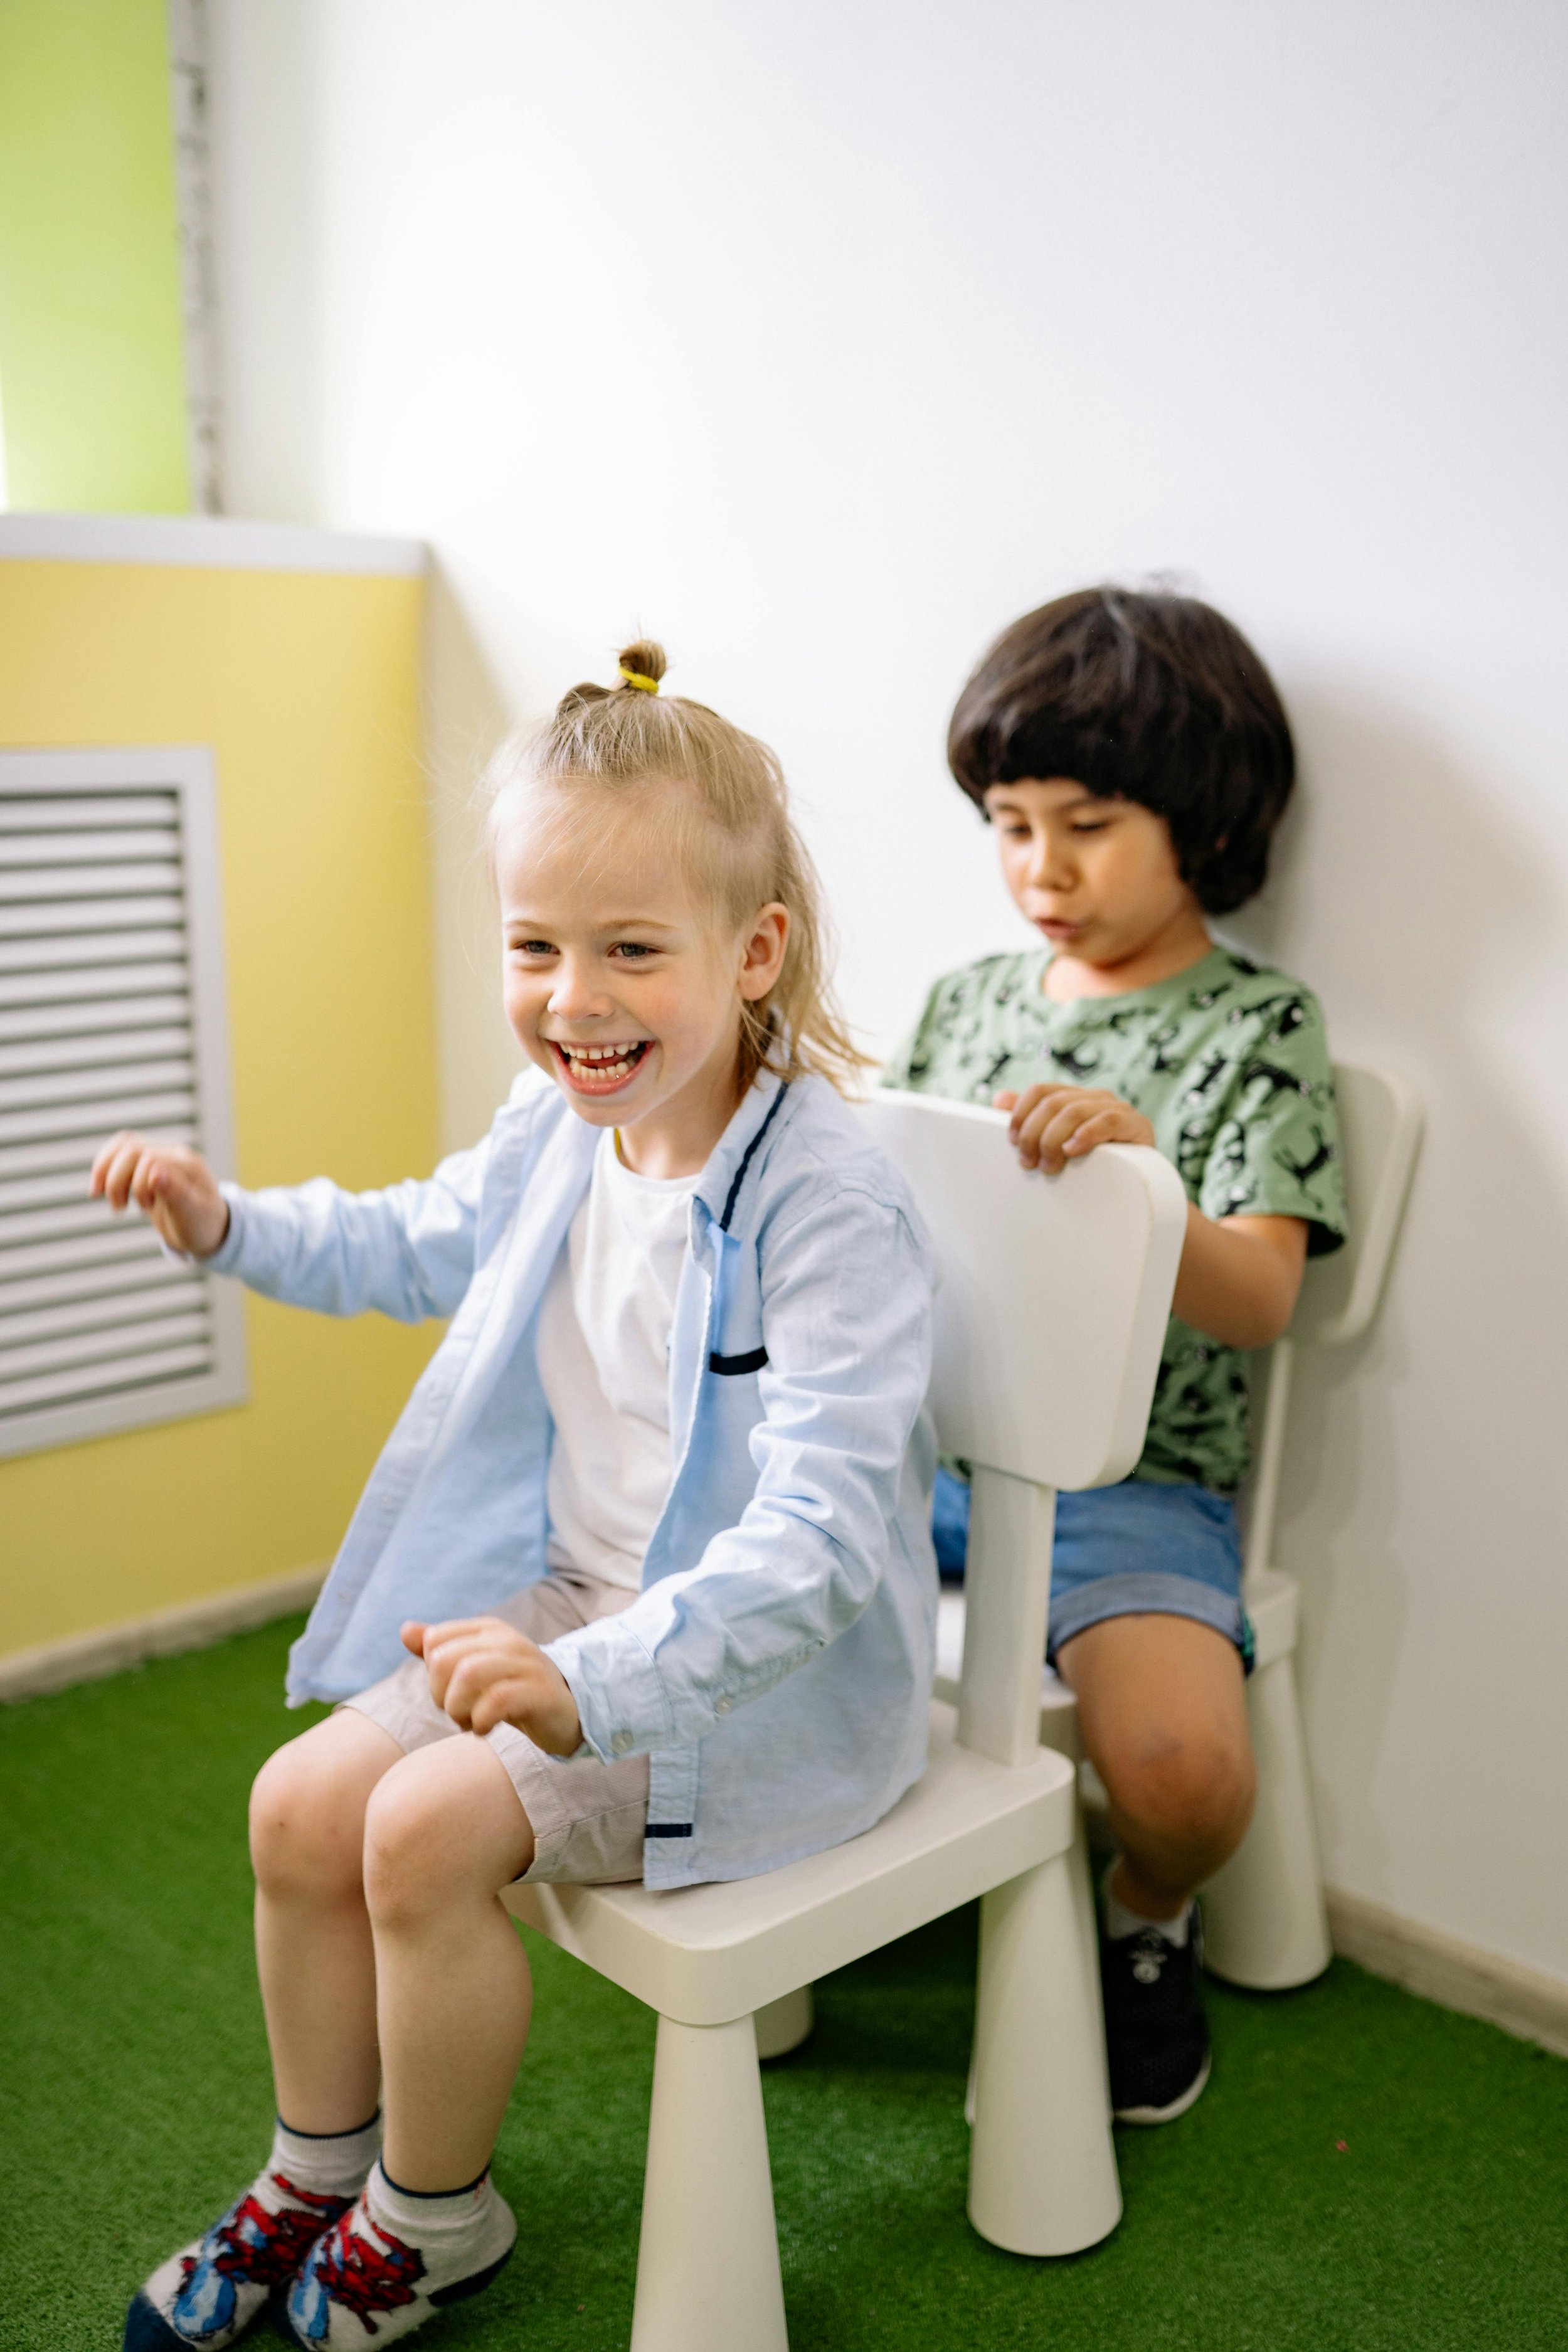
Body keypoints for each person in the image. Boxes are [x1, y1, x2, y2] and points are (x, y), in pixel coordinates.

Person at [98, 642, 938, 2350]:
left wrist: (595, 1682)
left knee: (415, 1825)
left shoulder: (824, 1198)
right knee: (292, 1802)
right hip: (569, 1610)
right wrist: (228, 1222)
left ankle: (433, 2209)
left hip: (738, 1684)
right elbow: (417, 1235)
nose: (575, 998)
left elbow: (824, 1535)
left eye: (633, 948)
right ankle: (312, 2162)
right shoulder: (563, 1127)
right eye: (535, 945)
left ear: (752, 948)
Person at [886, 587, 1347, 2126]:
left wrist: (1143, 1184)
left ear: (1200, 819)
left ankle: (1144, 1917)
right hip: (921, 1447)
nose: (1041, 869)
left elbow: (1257, 1306)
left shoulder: (1254, 1028)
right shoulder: (962, 1007)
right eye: (1009, 825)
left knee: (1181, 1779)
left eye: (1083, 822)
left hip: (1125, 1482)